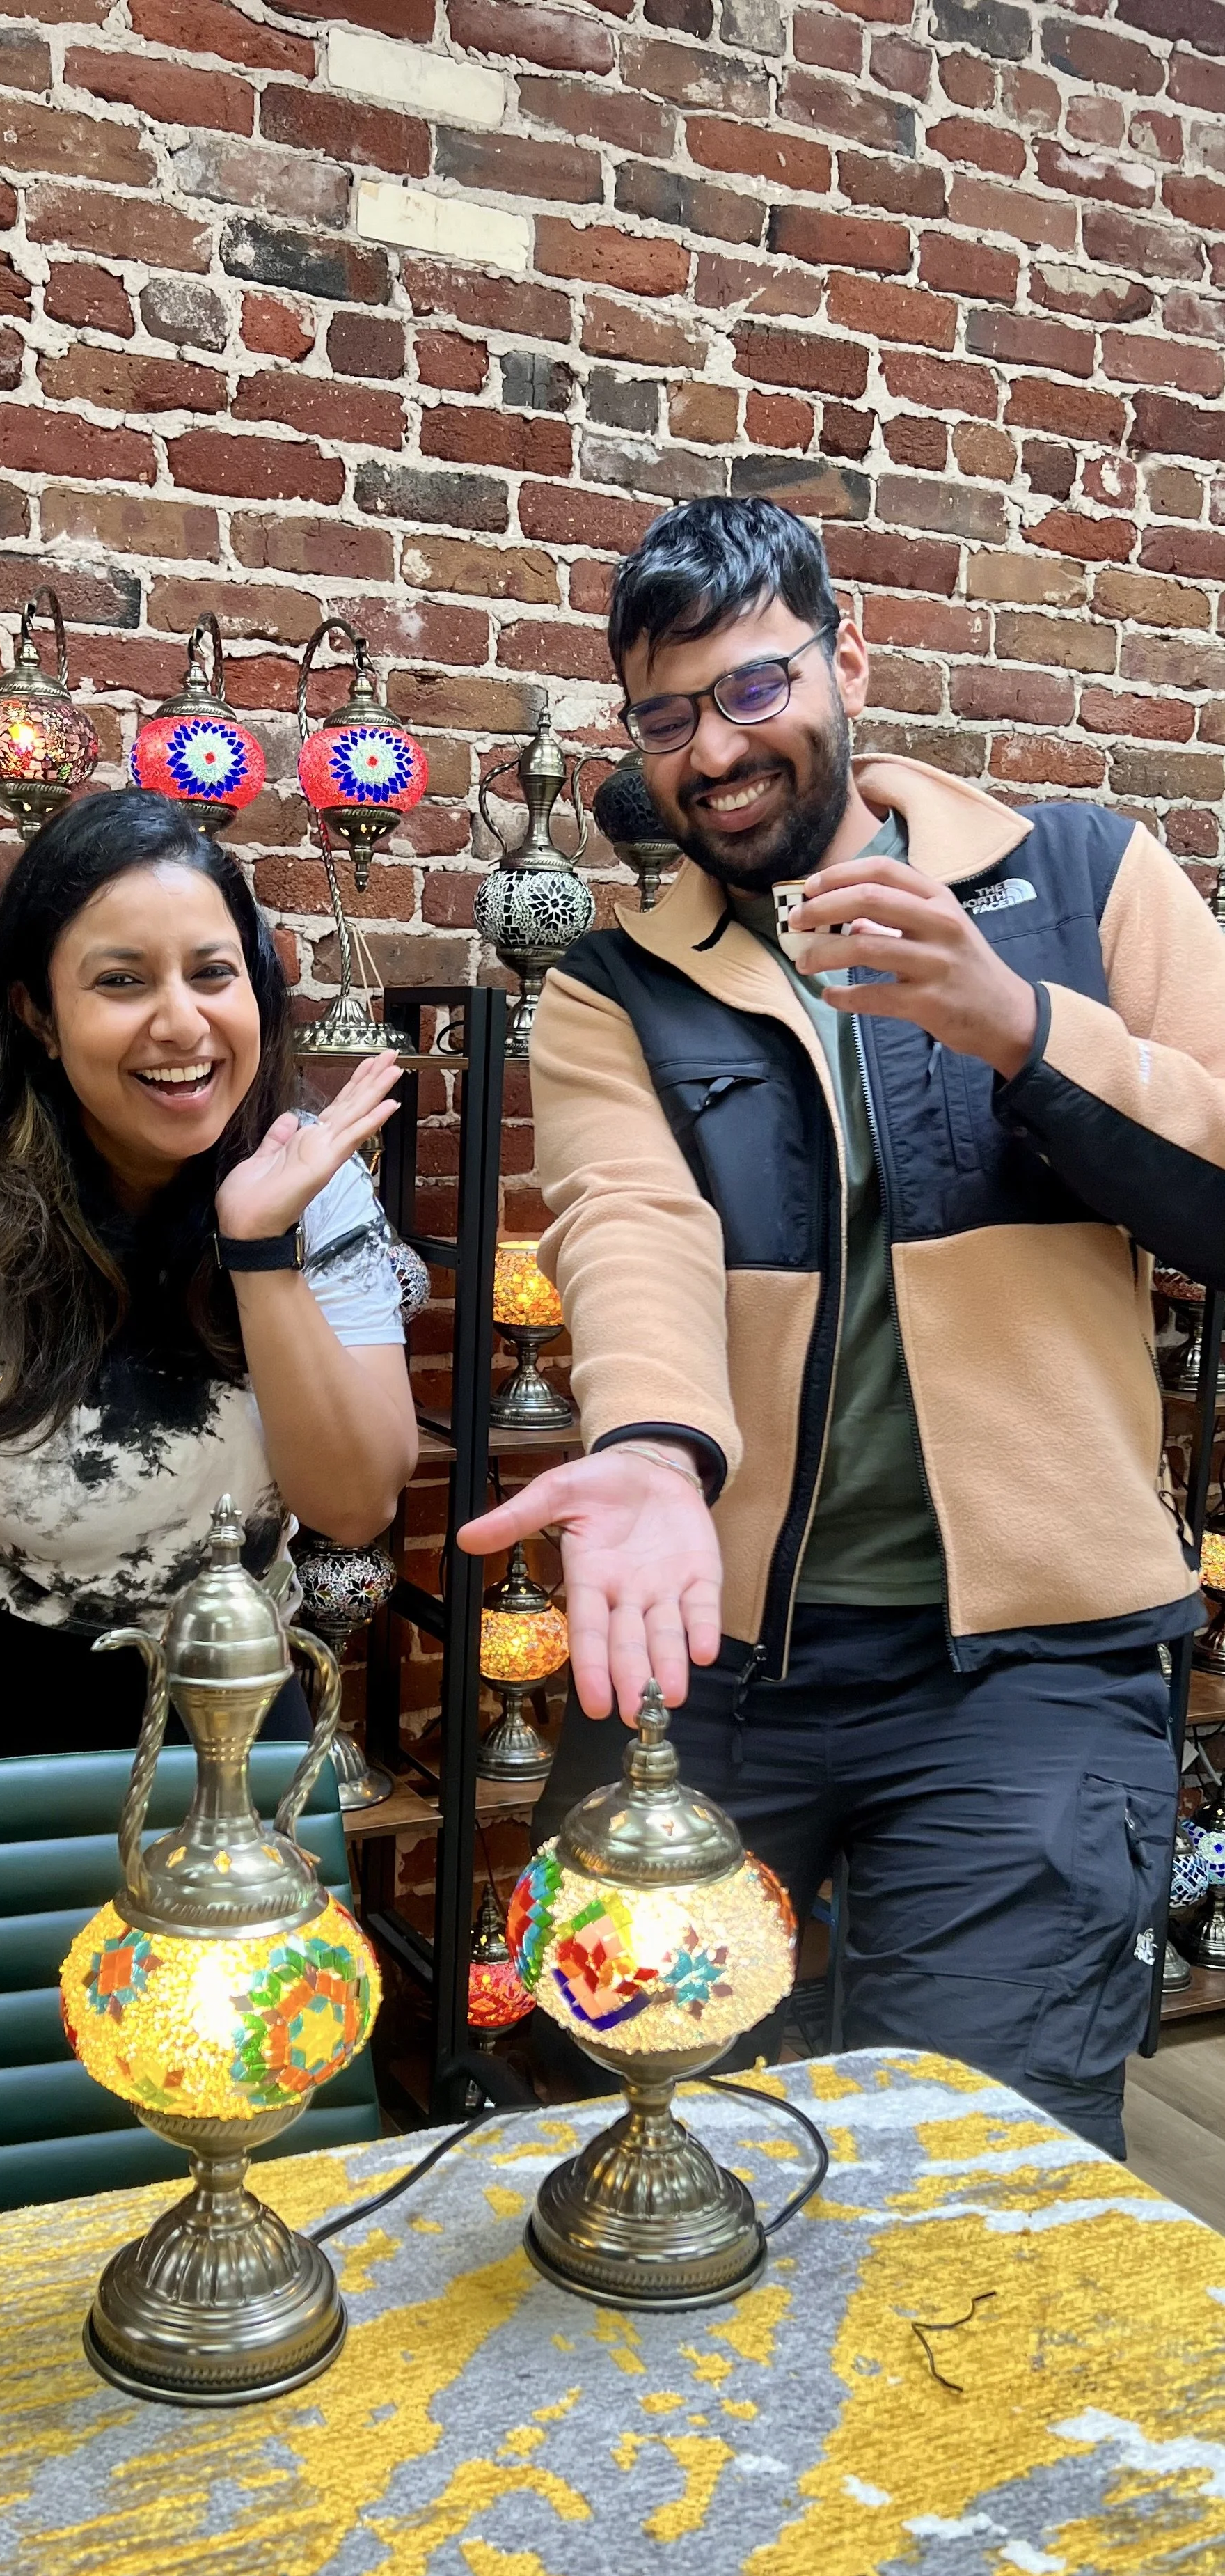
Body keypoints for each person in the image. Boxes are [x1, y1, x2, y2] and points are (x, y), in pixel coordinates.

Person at [461, 493, 1225, 2156]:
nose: (714, 751)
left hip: (1034, 1667)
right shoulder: (615, 986)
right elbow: (629, 1224)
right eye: (666, 718)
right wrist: (655, 1454)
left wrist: (1027, 1031)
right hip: (714, 1658)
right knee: (650, 2135)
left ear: (846, 659)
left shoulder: (1081, 878)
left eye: (750, 691)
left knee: (967, 2158)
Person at [0, 790, 418, 1765]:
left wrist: (261, 1248)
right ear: (38, 1015)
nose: (183, 1023)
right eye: (123, 982)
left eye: (213, 973)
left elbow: (355, 1506)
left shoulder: (312, 1183)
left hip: (225, 1686)